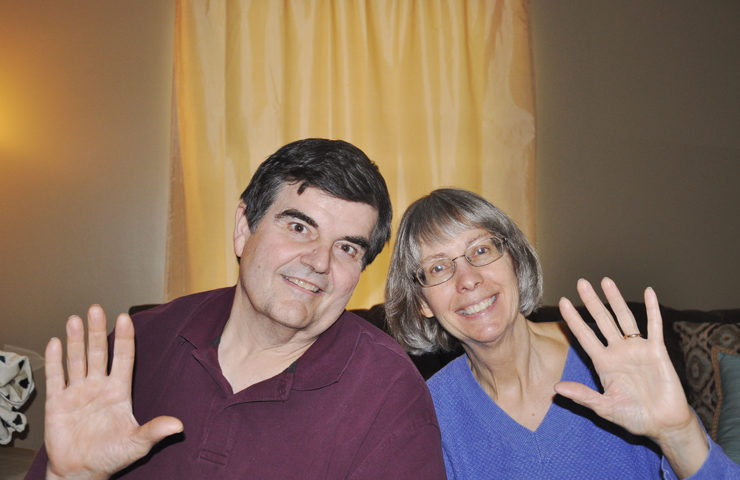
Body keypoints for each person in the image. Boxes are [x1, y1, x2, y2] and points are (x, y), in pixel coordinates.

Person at [27, 139, 446, 479]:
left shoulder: (390, 394)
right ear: (244, 229)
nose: (320, 262)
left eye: (347, 248)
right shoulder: (136, 349)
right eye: (299, 227)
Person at [385, 188, 740, 479]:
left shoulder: (606, 356)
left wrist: (678, 433)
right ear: (421, 302)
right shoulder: (429, 411)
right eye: (438, 268)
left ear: (515, 260)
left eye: (480, 250)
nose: (468, 280)